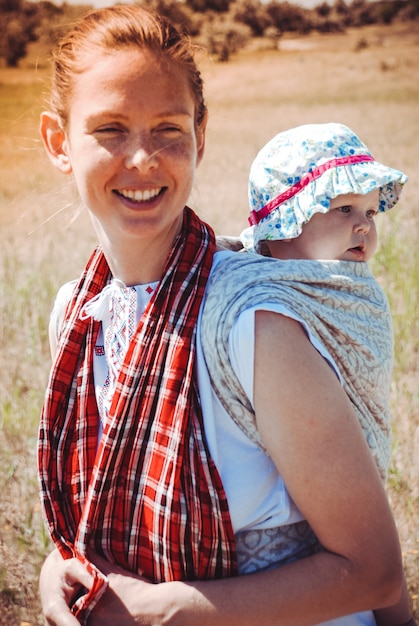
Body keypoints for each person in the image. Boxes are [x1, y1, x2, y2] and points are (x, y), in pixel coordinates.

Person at [37, 6, 407, 626]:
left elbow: (374, 571)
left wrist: (177, 609)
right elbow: (96, 512)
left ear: (200, 139)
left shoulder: (251, 322)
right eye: (109, 129)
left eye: (168, 130)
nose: (143, 159)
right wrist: (58, 573)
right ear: (59, 143)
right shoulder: (77, 315)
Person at [200, 122, 414, 625]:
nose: (364, 225)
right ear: (284, 223)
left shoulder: (346, 295)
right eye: (343, 209)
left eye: (369, 211)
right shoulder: (256, 304)